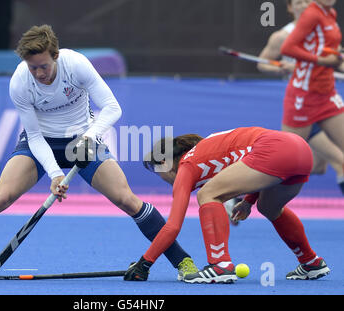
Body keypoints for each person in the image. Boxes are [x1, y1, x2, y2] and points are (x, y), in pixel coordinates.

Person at [0, 24, 198, 280]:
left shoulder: (76, 64)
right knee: (0, 197)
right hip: (39, 143)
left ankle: (182, 262)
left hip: (84, 138)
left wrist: (88, 138)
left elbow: (113, 108)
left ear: (55, 56)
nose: (39, 74)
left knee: (127, 199)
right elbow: (35, 135)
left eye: (43, 66)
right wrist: (54, 174)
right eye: (33, 68)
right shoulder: (20, 82)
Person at [123, 127, 330, 283]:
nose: (163, 179)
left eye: (159, 173)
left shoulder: (187, 165)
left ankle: (220, 264)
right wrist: (249, 201)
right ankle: (311, 262)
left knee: (208, 194)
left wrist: (145, 263)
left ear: (166, 164)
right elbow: (255, 167)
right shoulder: (206, 151)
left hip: (275, 149)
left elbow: (173, 226)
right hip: (300, 150)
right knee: (269, 208)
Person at [258, 0, 344, 194]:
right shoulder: (284, 34)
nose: (303, 6)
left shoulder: (328, 16)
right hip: (302, 100)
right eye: (298, 2)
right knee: (287, 164)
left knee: (316, 167)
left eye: (306, 2)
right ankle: (242, 195)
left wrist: (335, 60)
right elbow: (267, 62)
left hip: (327, 95)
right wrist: (284, 68)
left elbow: (334, 58)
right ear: (290, 8)